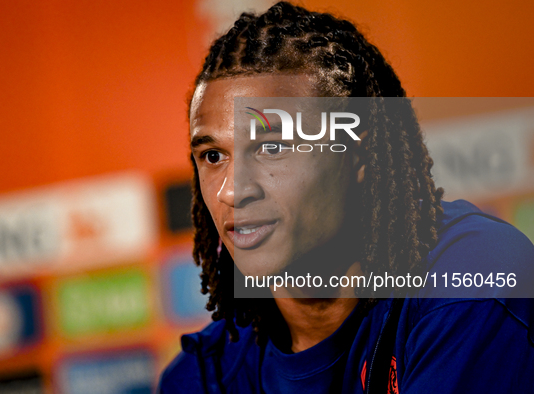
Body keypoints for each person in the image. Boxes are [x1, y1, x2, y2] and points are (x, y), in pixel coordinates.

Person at [159, 2, 534, 392]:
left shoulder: (473, 279)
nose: (232, 190)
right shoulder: (202, 377)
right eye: (213, 156)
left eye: (271, 147)